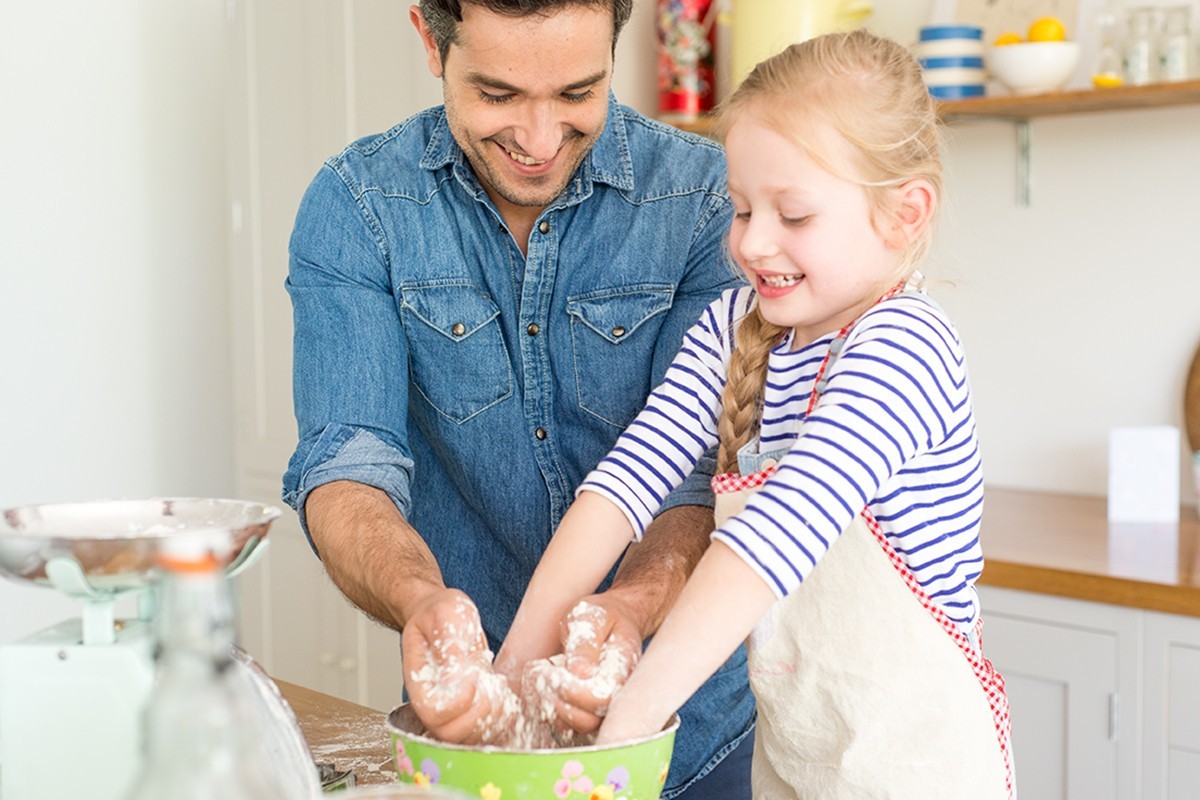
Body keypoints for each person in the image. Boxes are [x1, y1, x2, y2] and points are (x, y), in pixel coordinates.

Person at [503, 28, 1016, 799]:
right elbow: (624, 484)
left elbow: (776, 536)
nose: (753, 242)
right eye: (742, 209)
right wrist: (512, 679)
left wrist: (626, 728)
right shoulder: (734, 324)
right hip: (799, 764)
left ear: (904, 215)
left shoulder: (905, 345)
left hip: (919, 769)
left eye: (795, 215)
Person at [281, 0, 755, 796]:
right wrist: (421, 601)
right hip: (472, 740)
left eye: (576, 93)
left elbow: (697, 474)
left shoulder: (710, 203)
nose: (539, 140)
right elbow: (346, 461)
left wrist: (634, 608)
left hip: (693, 738)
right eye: (498, 95)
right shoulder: (357, 207)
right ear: (431, 40)